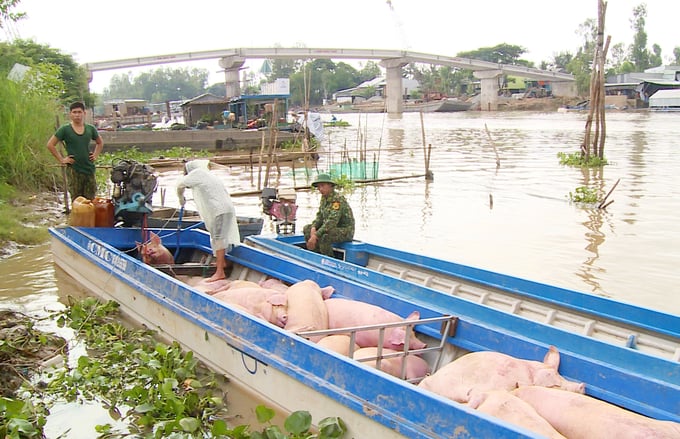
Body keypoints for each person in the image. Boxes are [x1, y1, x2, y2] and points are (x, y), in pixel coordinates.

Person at [177, 160, 240, 282]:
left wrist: (181, 200)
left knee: (218, 238)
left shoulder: (197, 174)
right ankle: (223, 263)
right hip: (226, 208)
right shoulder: (209, 175)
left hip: (219, 210)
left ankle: (220, 271)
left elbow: (179, 185)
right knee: (221, 236)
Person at [47, 102, 104, 201]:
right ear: (70, 114)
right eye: (74, 112)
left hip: (89, 169)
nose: (77, 115)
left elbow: (100, 142)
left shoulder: (90, 129)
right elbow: (50, 145)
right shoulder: (65, 129)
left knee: (90, 200)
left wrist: (95, 155)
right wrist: (62, 159)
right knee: (76, 200)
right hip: (74, 169)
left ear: (84, 113)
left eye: (79, 112)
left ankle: (89, 217)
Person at [303, 173, 355, 257]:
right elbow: (320, 216)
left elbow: (332, 221)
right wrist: (313, 227)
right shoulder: (324, 198)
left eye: (323, 186)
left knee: (324, 237)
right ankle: (316, 255)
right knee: (307, 229)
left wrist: (315, 235)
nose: (320, 189)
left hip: (345, 231)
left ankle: (330, 260)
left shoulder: (337, 199)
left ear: (330, 186)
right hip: (331, 229)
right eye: (319, 187)